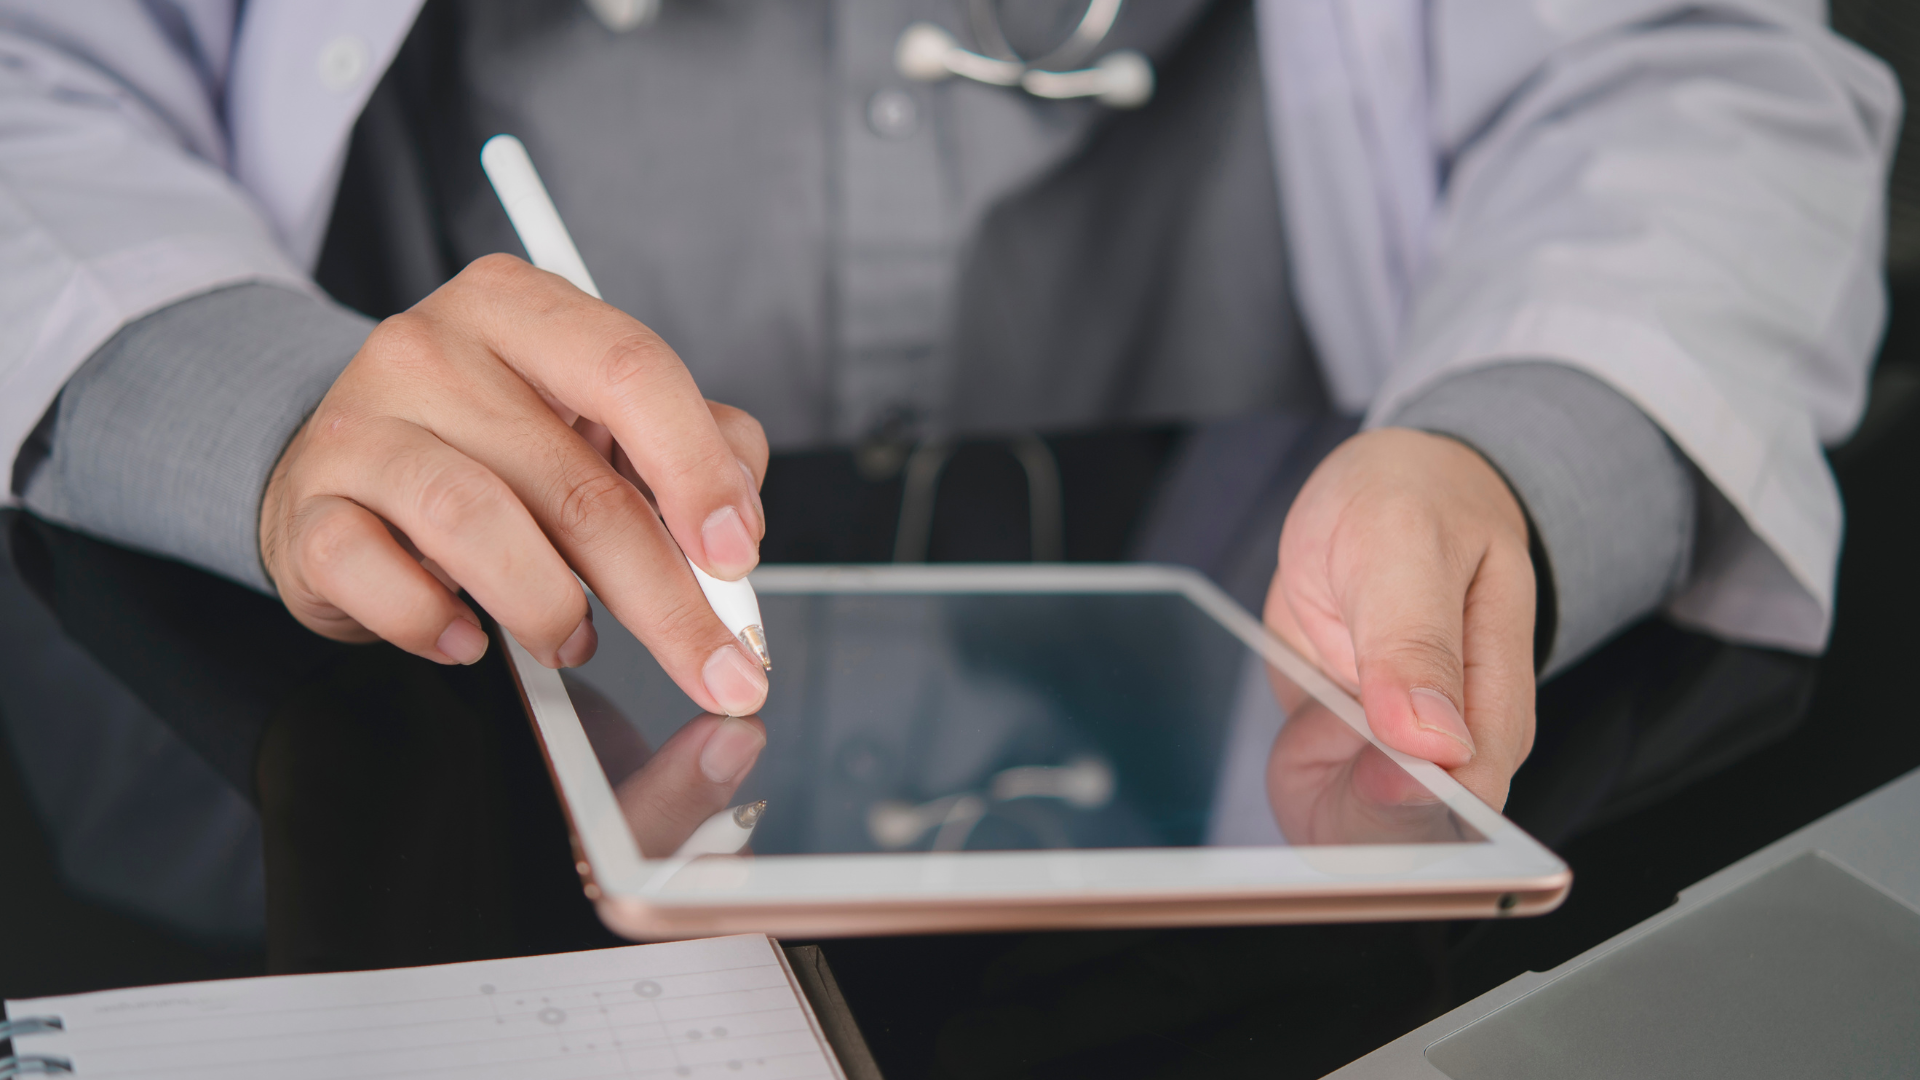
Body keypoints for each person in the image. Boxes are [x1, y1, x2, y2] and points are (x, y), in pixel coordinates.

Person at [0, 0, 1898, 820]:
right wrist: (268, 393)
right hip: (403, 755)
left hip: (1252, 819)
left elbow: (1681, 75)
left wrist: (1517, 447)